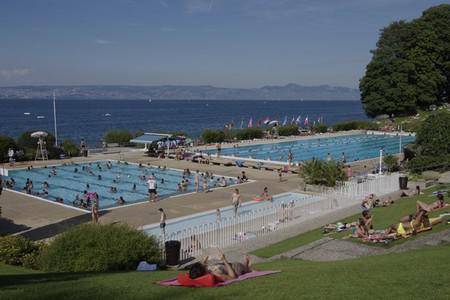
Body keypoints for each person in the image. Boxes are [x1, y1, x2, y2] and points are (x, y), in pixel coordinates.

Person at [188, 252, 253, 281]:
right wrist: (224, 260)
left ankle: (246, 264)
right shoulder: (215, 273)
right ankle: (246, 265)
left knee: (244, 266)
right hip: (236, 268)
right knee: (247, 269)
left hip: (231, 265)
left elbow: (202, 267)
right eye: (201, 264)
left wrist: (205, 260)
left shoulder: (207, 271)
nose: (202, 263)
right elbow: (233, 277)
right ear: (202, 269)